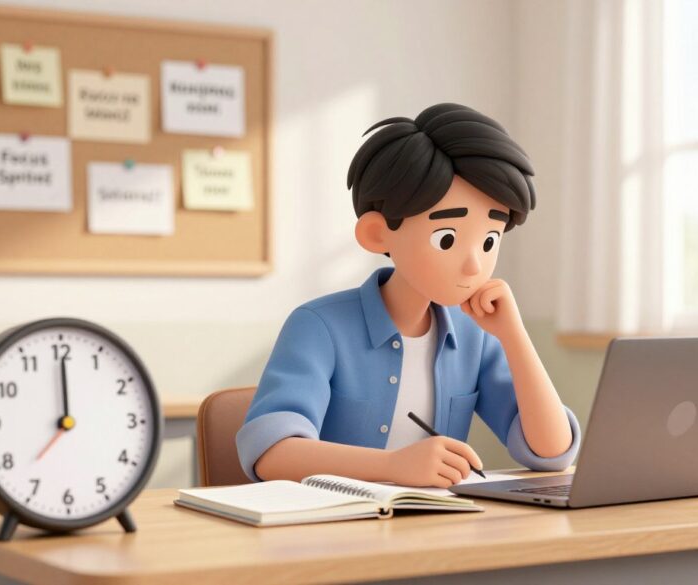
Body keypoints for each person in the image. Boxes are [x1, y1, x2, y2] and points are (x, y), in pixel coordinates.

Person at [237, 103, 580, 488]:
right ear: (377, 234)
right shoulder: (319, 327)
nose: (473, 265)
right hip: (332, 535)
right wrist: (392, 467)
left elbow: (552, 452)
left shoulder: (474, 335)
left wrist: (514, 335)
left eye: (488, 240)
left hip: (433, 531)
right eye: (446, 239)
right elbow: (271, 453)